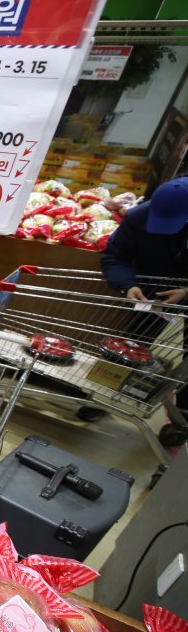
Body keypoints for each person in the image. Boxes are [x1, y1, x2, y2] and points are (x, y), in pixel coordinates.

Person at [100, 177, 188, 440]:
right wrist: (128, 284)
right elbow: (115, 256)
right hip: (153, 296)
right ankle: (101, 398)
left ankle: (182, 418)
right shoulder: (139, 217)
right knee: (131, 346)